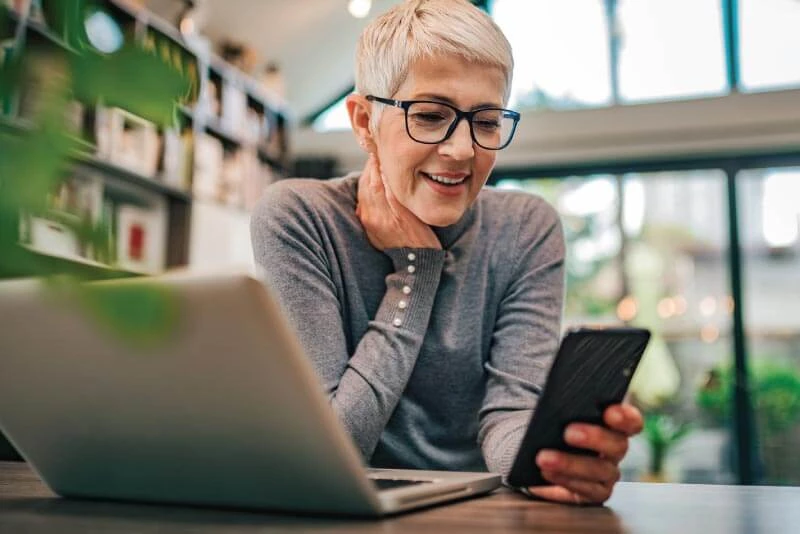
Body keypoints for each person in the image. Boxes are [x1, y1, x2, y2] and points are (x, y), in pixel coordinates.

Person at [251, 0, 642, 505]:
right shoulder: (299, 218)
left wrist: (550, 461)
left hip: (477, 516)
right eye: (431, 116)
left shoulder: (525, 228)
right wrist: (415, 272)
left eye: (487, 121)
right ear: (365, 121)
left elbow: (509, 414)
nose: (462, 150)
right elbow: (332, 449)